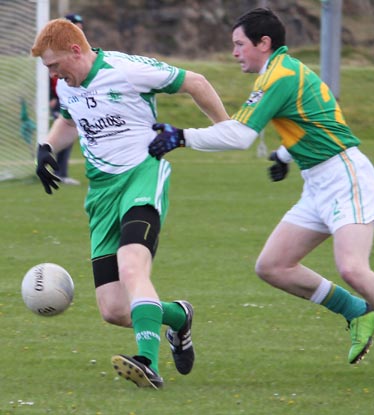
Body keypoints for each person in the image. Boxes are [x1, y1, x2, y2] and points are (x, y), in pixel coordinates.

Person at [148, 7, 374, 387]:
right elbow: (314, 116)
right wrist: (286, 154)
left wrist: (181, 136)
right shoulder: (281, 72)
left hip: (346, 177)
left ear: (263, 43)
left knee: (353, 268)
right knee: (273, 266)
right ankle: (356, 311)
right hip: (319, 181)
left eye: (239, 44)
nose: (235, 52)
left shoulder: (279, 75)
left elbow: (239, 136)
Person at [32, 18, 229, 389]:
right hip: (102, 195)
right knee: (114, 309)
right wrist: (46, 146)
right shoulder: (69, 85)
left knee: (132, 263)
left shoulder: (127, 70)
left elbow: (196, 83)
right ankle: (178, 317)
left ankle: (147, 362)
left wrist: (226, 128)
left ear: (76, 51)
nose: (53, 74)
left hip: (142, 176)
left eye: (54, 65)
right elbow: (69, 121)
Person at [49, 13, 85, 186]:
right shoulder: (56, 48)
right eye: (75, 25)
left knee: (72, 133)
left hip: (77, 97)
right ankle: (58, 172)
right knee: (64, 131)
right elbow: (52, 75)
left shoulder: (80, 48)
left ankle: (61, 172)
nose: (79, 28)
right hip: (60, 99)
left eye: (80, 25)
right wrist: (51, 97)